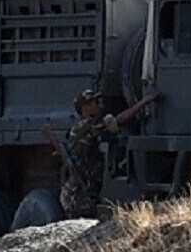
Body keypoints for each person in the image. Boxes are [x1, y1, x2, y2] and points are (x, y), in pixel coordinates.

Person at [60, 89, 158, 219]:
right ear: (86, 107)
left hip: (84, 194)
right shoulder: (86, 127)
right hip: (78, 197)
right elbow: (117, 121)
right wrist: (144, 102)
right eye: (96, 102)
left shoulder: (87, 127)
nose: (101, 105)